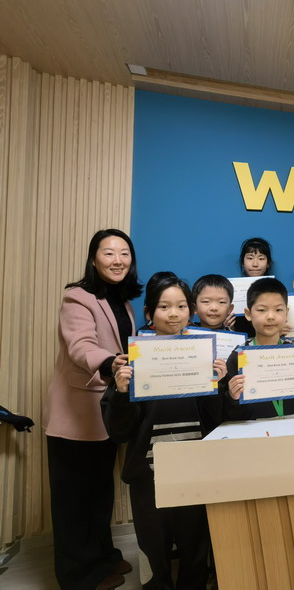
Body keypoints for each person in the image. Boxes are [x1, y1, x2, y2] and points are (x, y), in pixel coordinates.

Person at [101, 273, 227, 590]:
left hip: (195, 473)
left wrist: (218, 386)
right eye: (164, 306)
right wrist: (121, 392)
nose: (174, 314)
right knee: (153, 551)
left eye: (181, 306)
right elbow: (118, 432)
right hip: (149, 477)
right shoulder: (133, 362)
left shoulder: (203, 358)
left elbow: (216, 423)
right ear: (149, 313)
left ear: (191, 311)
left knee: (195, 549)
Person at [43, 229, 141, 590]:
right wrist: (110, 362)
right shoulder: (77, 297)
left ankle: (102, 558)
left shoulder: (123, 300)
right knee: (73, 500)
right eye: (109, 253)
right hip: (76, 413)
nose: (117, 260)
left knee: (99, 493)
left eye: (124, 253)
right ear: (94, 259)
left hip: (106, 413)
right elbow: (80, 346)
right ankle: (78, 577)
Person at [224, 278, 294, 420]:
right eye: (261, 310)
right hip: (255, 431)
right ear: (248, 314)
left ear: (286, 313)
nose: (270, 316)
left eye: (278, 310)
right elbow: (232, 415)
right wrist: (233, 397)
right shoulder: (238, 356)